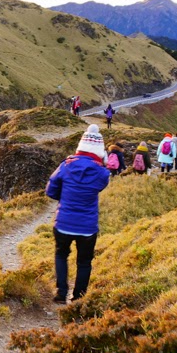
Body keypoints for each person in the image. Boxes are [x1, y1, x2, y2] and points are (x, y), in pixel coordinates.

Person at [45, 124, 110, 303]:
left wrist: (63, 198)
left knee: (61, 255)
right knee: (84, 262)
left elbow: (50, 190)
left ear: (81, 146)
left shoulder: (66, 166)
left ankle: (61, 293)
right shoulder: (102, 174)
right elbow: (100, 184)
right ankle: (78, 299)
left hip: (64, 222)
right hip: (87, 227)